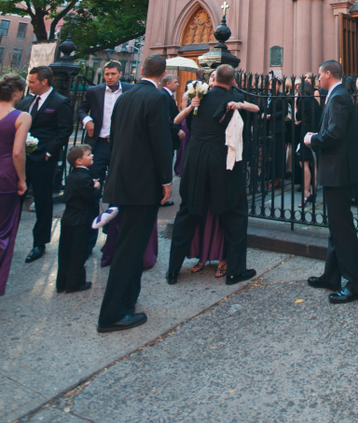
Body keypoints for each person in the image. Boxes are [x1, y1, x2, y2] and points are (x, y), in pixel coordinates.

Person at [96, 54, 173, 333]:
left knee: (130, 244)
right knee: (130, 250)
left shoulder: (124, 97)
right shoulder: (158, 98)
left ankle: (127, 302)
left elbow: (114, 137)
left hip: (122, 180)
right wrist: (166, 180)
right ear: (164, 74)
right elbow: (161, 143)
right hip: (143, 186)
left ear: (141, 70)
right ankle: (111, 314)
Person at [167, 63, 259, 286]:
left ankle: (172, 270)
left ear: (213, 78)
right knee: (234, 213)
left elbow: (184, 123)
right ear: (233, 81)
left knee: (188, 211)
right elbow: (250, 120)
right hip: (222, 162)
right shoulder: (235, 99)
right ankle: (235, 271)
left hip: (196, 160)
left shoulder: (198, 97)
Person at [304, 59, 358, 304]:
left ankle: (355, 285)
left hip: (338, 172)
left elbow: (335, 134)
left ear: (328, 74)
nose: (318, 80)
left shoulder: (339, 97)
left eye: (320, 75)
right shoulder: (337, 94)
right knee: (336, 228)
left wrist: (312, 139)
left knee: (343, 230)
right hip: (334, 171)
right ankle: (331, 276)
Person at [19, 66, 73, 263]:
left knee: (43, 201)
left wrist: (49, 152)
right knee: (16, 198)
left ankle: (39, 243)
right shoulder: (25, 102)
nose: (29, 84)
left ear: (44, 82)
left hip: (43, 159)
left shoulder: (60, 102)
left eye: (32, 81)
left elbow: (64, 130)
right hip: (21, 159)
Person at [78, 59, 133, 251]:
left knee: (118, 186)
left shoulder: (129, 90)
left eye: (112, 74)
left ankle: (112, 233)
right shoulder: (95, 91)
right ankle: (89, 238)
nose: (109, 77)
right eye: (106, 74)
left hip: (120, 144)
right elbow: (81, 108)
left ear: (120, 74)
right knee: (94, 187)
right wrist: (87, 120)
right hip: (100, 144)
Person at [0, 74, 30, 305]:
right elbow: (17, 152)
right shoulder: (22, 116)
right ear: (16, 93)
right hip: (2, 179)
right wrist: (22, 180)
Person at [56, 144, 100, 293]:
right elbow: (91, 196)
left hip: (68, 218)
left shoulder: (72, 176)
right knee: (78, 252)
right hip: (80, 219)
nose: (92, 156)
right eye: (88, 155)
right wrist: (97, 187)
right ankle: (75, 283)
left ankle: (62, 282)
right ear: (79, 161)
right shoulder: (84, 177)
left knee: (65, 251)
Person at [296, 78, 322, 207]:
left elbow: (298, 116)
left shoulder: (302, 100)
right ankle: (313, 190)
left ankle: (306, 193)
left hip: (306, 132)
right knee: (314, 162)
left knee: (304, 162)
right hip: (315, 133)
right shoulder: (315, 101)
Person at [160, 73, 180, 205]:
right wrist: (177, 130)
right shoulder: (164, 96)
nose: (177, 84)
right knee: (165, 165)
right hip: (168, 137)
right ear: (167, 84)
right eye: (175, 82)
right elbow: (166, 119)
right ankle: (162, 197)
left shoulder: (168, 96)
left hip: (170, 137)